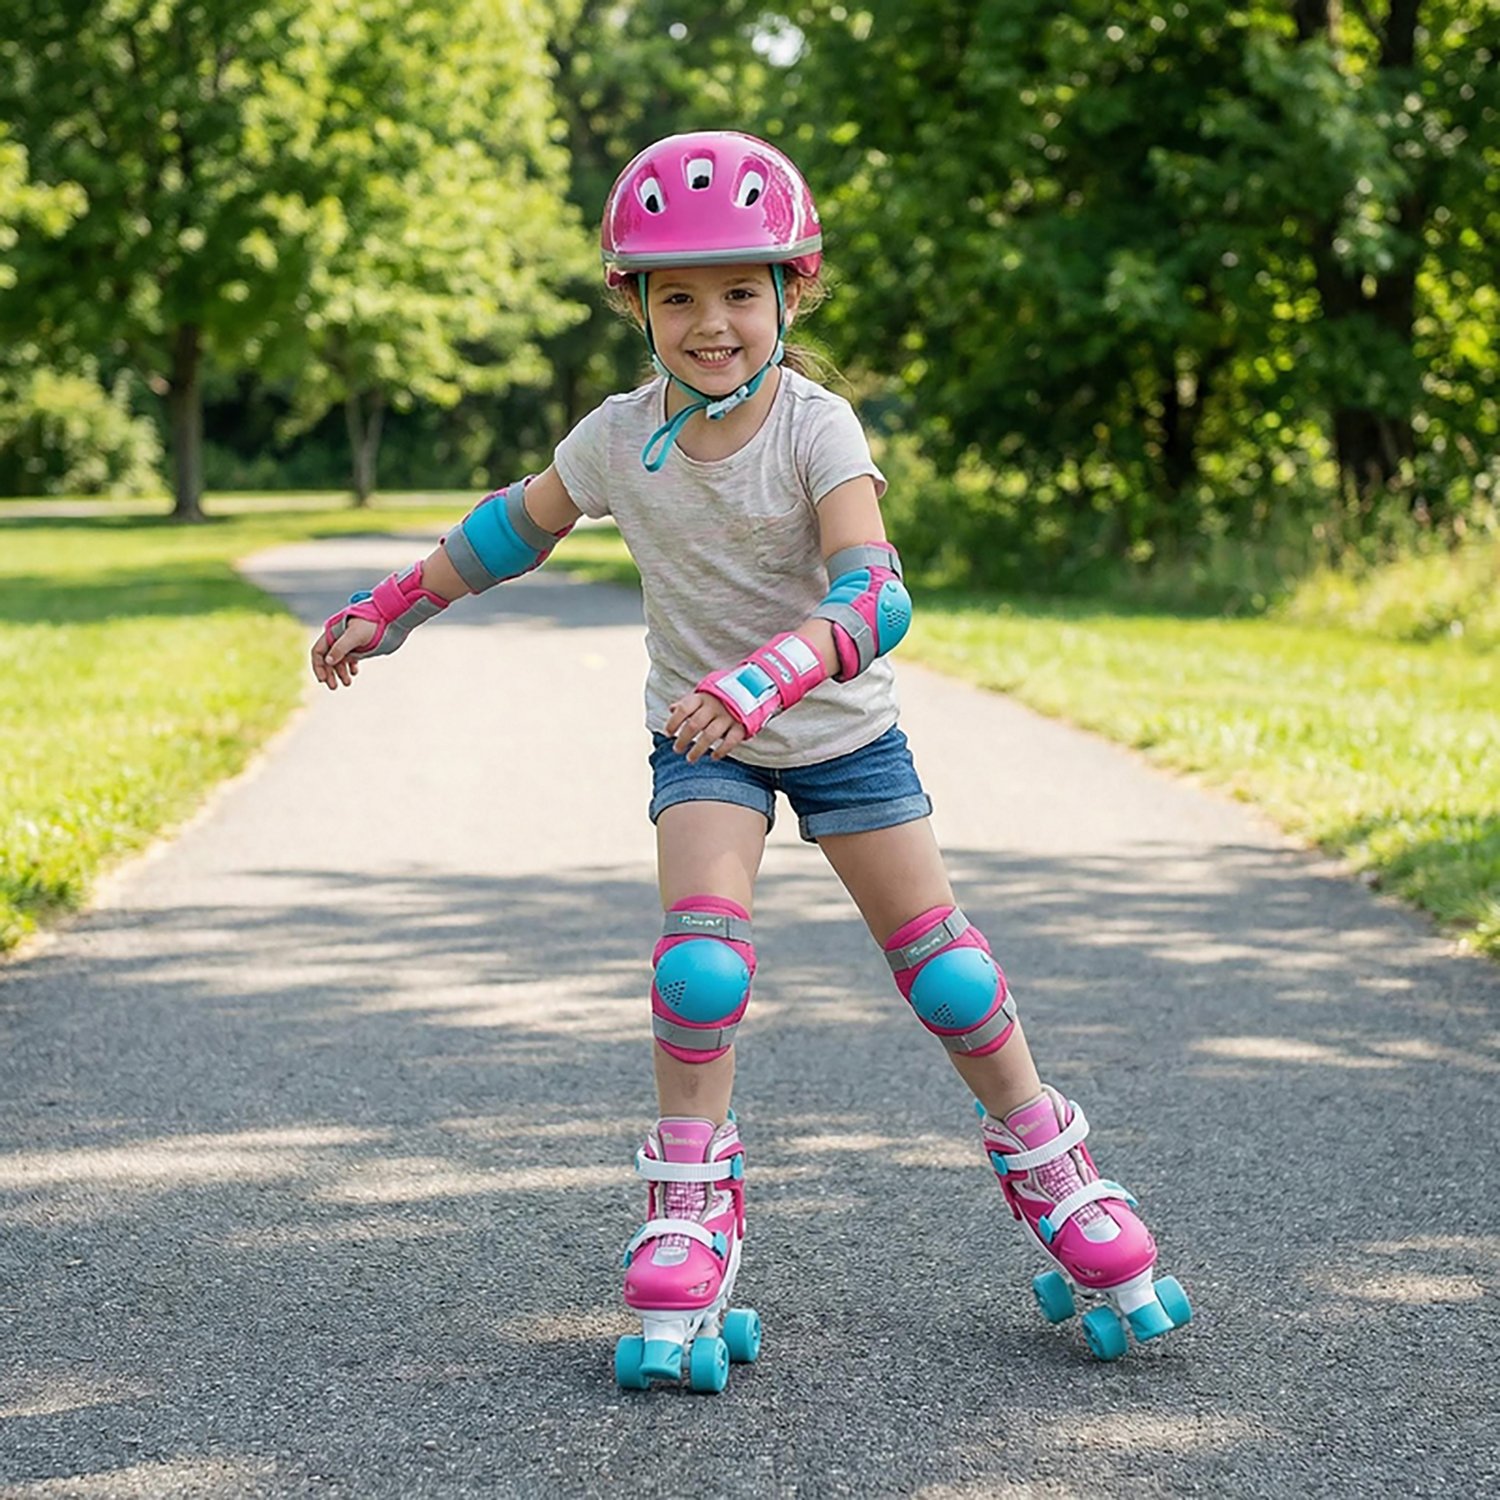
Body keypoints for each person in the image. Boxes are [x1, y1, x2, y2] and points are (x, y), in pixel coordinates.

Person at [309, 130, 1190, 1387]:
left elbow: (875, 595)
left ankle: (1057, 1172)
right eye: (678, 295)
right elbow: (511, 528)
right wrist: (394, 607)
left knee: (945, 974)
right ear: (635, 303)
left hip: (840, 735)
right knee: (701, 966)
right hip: (702, 745)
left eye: (738, 291)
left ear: (792, 291)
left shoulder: (818, 427)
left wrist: (768, 676)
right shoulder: (620, 438)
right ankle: (689, 1210)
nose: (709, 322)